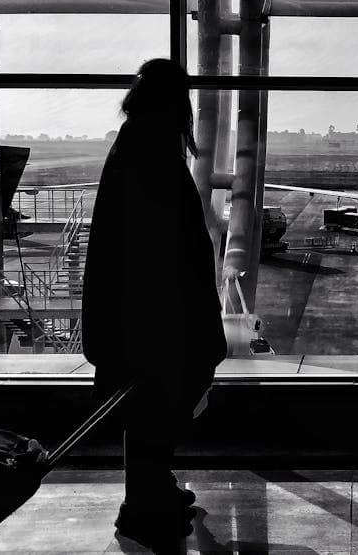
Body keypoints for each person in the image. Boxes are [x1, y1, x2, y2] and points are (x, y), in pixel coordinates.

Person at [81, 58, 227, 551]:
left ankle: (150, 493)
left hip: (139, 312)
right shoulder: (152, 152)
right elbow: (165, 245)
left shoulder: (135, 144)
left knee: (147, 408)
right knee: (157, 406)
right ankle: (146, 504)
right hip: (158, 314)